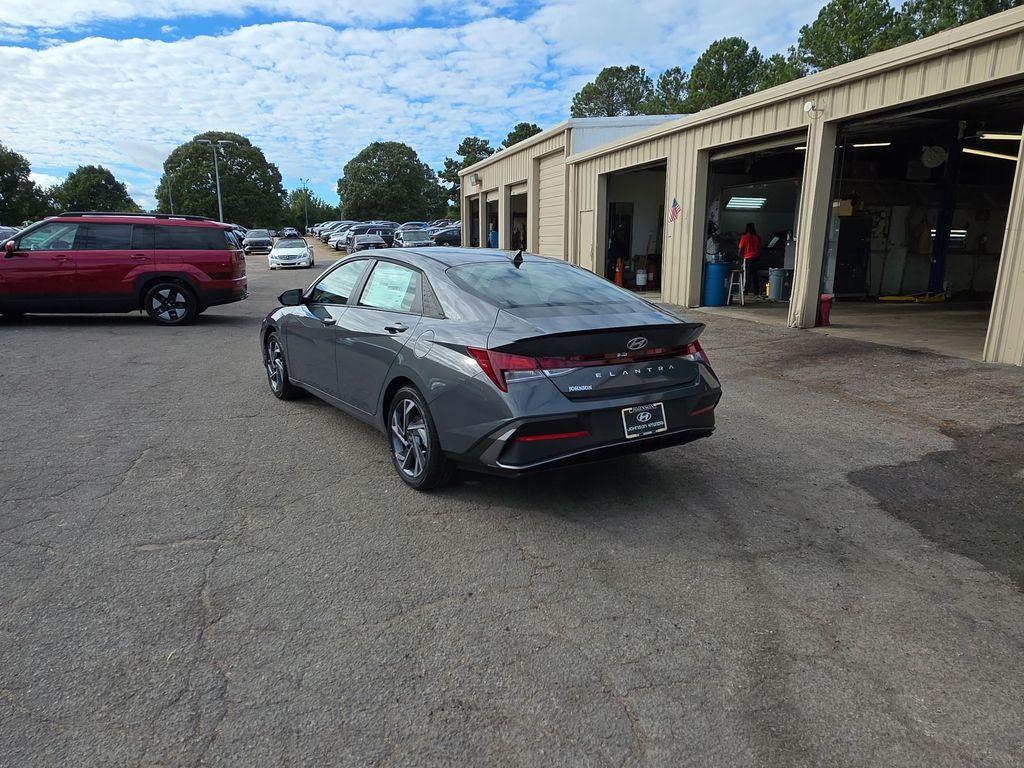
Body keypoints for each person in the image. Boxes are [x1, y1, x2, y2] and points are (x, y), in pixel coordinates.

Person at [738, 222, 762, 295]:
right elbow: (759, 247)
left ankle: (746, 291)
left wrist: (738, 257)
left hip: (748, 257)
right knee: (755, 275)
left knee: (747, 275)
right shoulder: (757, 237)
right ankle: (756, 291)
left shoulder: (744, 237)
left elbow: (740, 248)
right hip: (755, 257)